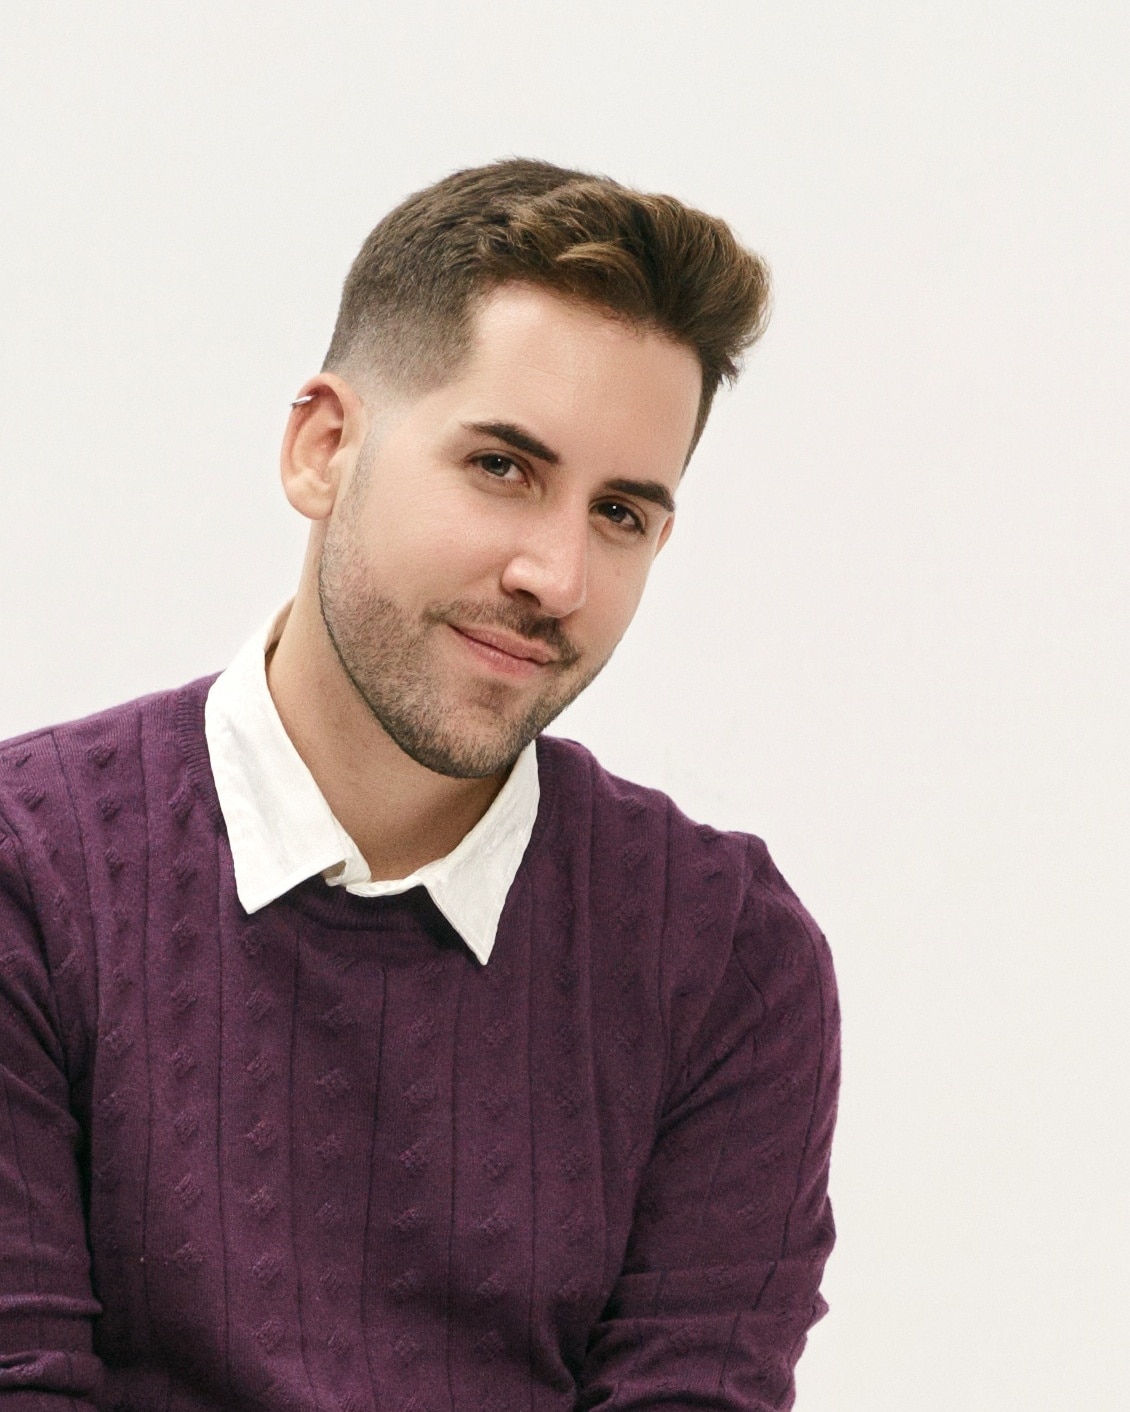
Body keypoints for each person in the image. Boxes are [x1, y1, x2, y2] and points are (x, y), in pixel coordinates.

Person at [0, 158, 839, 1411]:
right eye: (502, 466)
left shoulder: (724, 955)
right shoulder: (33, 872)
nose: (553, 573)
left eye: (618, 513)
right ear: (324, 448)